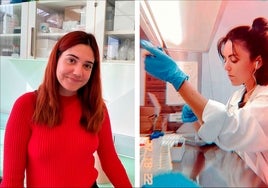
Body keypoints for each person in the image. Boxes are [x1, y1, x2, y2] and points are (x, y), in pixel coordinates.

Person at [141, 17, 268, 185]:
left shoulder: (265, 101)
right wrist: (195, 119)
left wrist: (178, 79)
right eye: (225, 59)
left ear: (257, 62)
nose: (226, 66)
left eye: (234, 59)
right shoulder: (237, 97)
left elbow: (231, 129)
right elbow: (217, 135)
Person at [0, 31, 132, 187]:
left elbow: (111, 161)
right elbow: (12, 180)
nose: (78, 72)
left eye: (87, 65)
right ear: (56, 59)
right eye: (71, 60)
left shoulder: (96, 108)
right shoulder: (26, 105)